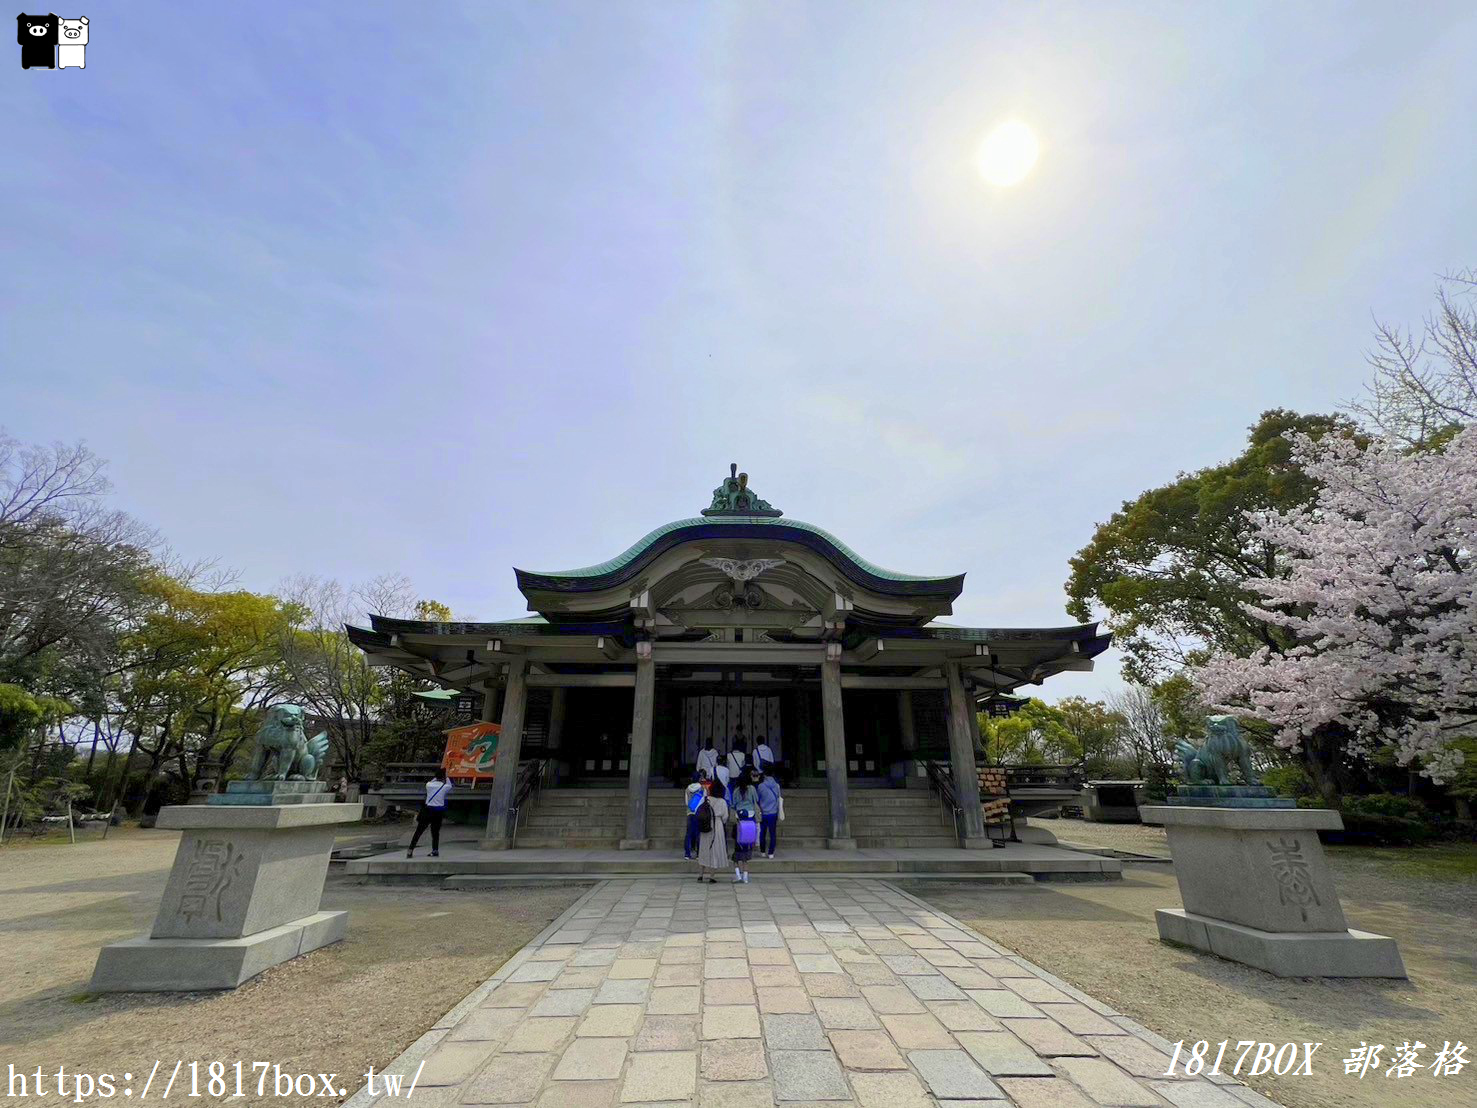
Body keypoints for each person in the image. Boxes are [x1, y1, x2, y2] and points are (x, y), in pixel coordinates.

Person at [407, 768, 452, 858]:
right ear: (443, 777)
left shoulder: (429, 785)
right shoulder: (445, 787)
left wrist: (437, 776)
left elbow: (433, 780)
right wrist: (446, 776)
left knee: (419, 831)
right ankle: (435, 850)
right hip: (438, 812)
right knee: (435, 832)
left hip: (427, 811)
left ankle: (410, 849)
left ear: (435, 776)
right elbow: (449, 783)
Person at [695, 779, 730, 883]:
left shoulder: (706, 799)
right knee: (715, 849)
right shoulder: (722, 802)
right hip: (717, 825)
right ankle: (712, 876)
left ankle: (700, 875)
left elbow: (699, 810)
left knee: (704, 849)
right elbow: (725, 817)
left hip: (705, 825)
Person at [729, 769, 760, 883]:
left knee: (738, 848)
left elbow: (733, 804)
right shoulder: (752, 789)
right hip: (750, 819)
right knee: (747, 848)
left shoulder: (736, 791)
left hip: (739, 820)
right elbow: (756, 800)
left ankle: (738, 875)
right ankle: (746, 876)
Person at [755, 768, 782, 859]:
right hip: (773, 812)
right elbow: (778, 798)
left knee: (762, 832)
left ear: (765, 775)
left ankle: (762, 851)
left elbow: (758, 799)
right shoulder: (776, 786)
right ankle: (771, 852)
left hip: (763, 812)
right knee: (772, 833)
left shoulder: (761, 786)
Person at [684, 770, 710, 859]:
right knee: (699, 834)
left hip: (690, 813)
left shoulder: (687, 789)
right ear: (699, 778)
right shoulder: (702, 788)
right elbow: (706, 800)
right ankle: (699, 854)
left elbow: (687, 803)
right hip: (699, 813)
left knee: (689, 834)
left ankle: (687, 854)